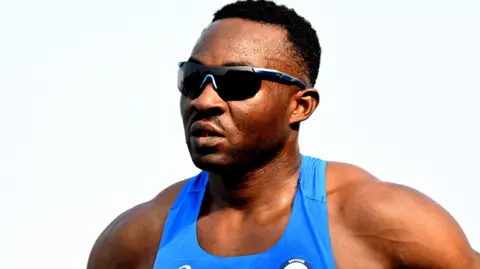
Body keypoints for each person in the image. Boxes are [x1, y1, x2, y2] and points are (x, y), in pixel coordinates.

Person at [87, 1, 479, 268]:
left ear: (301, 105)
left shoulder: (380, 219)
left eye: (236, 82)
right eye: (192, 79)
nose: (204, 100)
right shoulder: (137, 241)